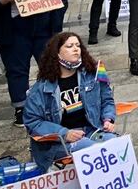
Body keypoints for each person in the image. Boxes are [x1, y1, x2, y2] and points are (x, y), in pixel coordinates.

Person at [23, 32, 116, 171]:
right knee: (93, 150)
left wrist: (108, 118)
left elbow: (107, 99)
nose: (75, 49)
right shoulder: (41, 88)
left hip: (92, 130)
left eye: (78, 45)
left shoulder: (94, 73)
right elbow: (32, 122)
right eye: (69, 46)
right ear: (57, 54)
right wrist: (64, 133)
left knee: (115, 145)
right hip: (58, 142)